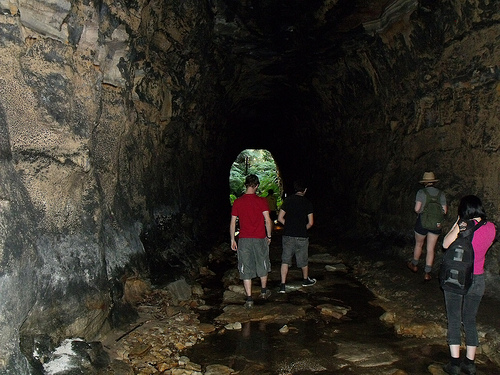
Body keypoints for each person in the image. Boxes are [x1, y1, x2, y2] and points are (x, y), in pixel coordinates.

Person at [441, 195, 495, 375]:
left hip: (458, 278)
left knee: (454, 318)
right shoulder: (491, 227)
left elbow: (445, 244)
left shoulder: (463, 225)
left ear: (464, 211)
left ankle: (454, 364)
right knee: (470, 319)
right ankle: (470, 363)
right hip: (478, 279)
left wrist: (457, 223)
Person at [230, 174, 273, 308]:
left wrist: (232, 239)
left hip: (244, 239)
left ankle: (249, 299)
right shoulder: (262, 201)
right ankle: (264, 292)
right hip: (260, 238)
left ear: (246, 185)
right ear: (257, 185)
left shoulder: (238, 202)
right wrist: (269, 236)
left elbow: (232, 223)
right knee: (263, 263)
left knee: (245, 266)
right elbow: (268, 220)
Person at [407, 171, 447, 281]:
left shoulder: (421, 192)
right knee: (431, 248)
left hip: (422, 222)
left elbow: (417, 209)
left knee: (419, 244)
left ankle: (414, 265)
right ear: (434, 182)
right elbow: (444, 211)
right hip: (436, 224)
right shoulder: (441, 194)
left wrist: (423, 211)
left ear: (425, 182)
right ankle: (427, 273)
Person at [277, 180, 315, 293]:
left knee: (285, 260)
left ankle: (283, 285)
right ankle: (305, 280)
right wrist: (303, 228)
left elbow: (280, 218)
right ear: (305, 190)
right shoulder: (307, 203)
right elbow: (311, 222)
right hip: (302, 236)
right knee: (303, 259)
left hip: (288, 234)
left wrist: (288, 226)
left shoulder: (288, 200)